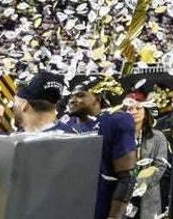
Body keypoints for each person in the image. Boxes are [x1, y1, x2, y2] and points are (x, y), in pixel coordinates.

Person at [54, 80, 137, 219]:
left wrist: (114, 216)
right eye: (71, 96)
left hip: (101, 209)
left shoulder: (114, 121)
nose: (72, 100)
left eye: (80, 95)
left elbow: (127, 176)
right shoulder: (63, 126)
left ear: (97, 99)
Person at [123, 96, 170, 219]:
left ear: (146, 111)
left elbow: (161, 165)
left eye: (138, 108)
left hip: (148, 193)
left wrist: (142, 183)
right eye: (130, 109)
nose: (134, 112)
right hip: (123, 194)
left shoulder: (158, 137)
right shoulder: (119, 137)